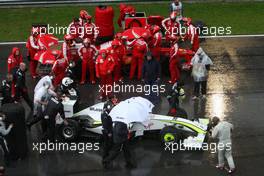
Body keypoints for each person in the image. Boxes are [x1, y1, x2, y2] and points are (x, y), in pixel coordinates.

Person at [101, 95, 118, 161]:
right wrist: (108, 132)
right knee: (108, 143)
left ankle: (106, 155)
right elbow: (105, 122)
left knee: (108, 143)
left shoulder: (107, 106)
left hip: (108, 128)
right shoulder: (106, 111)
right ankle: (105, 158)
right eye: (115, 98)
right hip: (107, 129)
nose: (116, 99)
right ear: (112, 99)